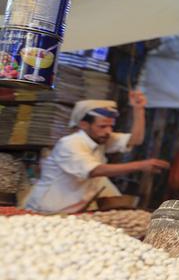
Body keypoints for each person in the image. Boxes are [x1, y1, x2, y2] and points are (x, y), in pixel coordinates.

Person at [24, 92, 169, 214]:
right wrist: (141, 165)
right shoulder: (70, 144)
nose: (108, 131)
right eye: (102, 126)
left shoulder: (101, 139)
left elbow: (135, 140)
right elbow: (95, 170)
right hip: (45, 211)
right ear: (84, 125)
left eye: (110, 126)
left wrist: (139, 110)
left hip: (74, 212)